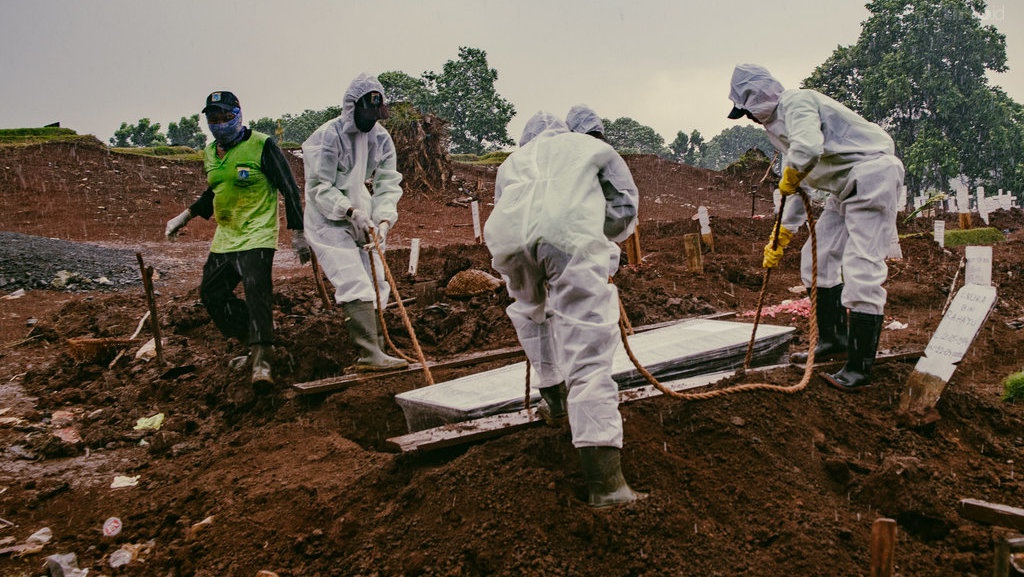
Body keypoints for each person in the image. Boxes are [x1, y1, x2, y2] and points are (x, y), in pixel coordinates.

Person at [484, 111, 644, 508]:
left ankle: (554, 401)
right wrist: (595, 236)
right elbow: (624, 208)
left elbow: (507, 207)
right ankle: (606, 484)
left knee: (531, 312)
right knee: (588, 346)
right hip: (568, 234)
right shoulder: (590, 147)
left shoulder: (512, 162)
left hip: (508, 242)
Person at [726, 63, 905, 391]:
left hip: (871, 175)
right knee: (817, 260)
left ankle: (859, 368)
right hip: (842, 187)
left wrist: (792, 174)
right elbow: (801, 183)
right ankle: (834, 340)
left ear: (757, 97)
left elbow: (807, 152)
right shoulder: (779, 128)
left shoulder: (797, 103)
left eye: (747, 110)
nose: (749, 118)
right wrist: (782, 233)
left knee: (862, 267)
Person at [165, 90, 310, 387]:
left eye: (225, 116)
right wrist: (185, 216)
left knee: (257, 292)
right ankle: (253, 340)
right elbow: (215, 190)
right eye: (213, 118)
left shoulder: (262, 145)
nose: (219, 123)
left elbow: (289, 187)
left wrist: (298, 232)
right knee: (212, 295)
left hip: (257, 233)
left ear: (238, 115)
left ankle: (262, 360)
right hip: (226, 236)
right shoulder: (210, 153)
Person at [301, 73, 407, 372]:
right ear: (353, 107)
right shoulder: (328, 136)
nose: (372, 120)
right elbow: (319, 186)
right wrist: (348, 211)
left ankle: (380, 347)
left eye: (377, 113)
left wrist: (383, 219)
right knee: (353, 279)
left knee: (377, 278)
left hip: (363, 211)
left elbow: (388, 183)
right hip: (328, 219)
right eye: (368, 113)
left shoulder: (380, 138)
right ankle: (368, 353)